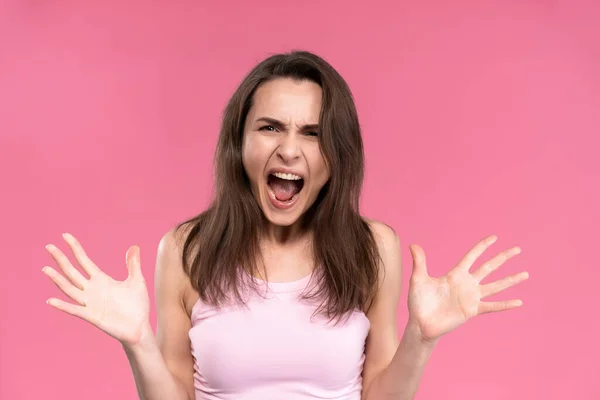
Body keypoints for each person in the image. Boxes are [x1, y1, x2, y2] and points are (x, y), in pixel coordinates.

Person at [42, 50, 529, 400]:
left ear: (337, 156)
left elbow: (379, 396)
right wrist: (138, 342)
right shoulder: (187, 247)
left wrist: (421, 338)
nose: (289, 150)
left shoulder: (372, 247)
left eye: (313, 134)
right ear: (240, 143)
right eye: (270, 127)